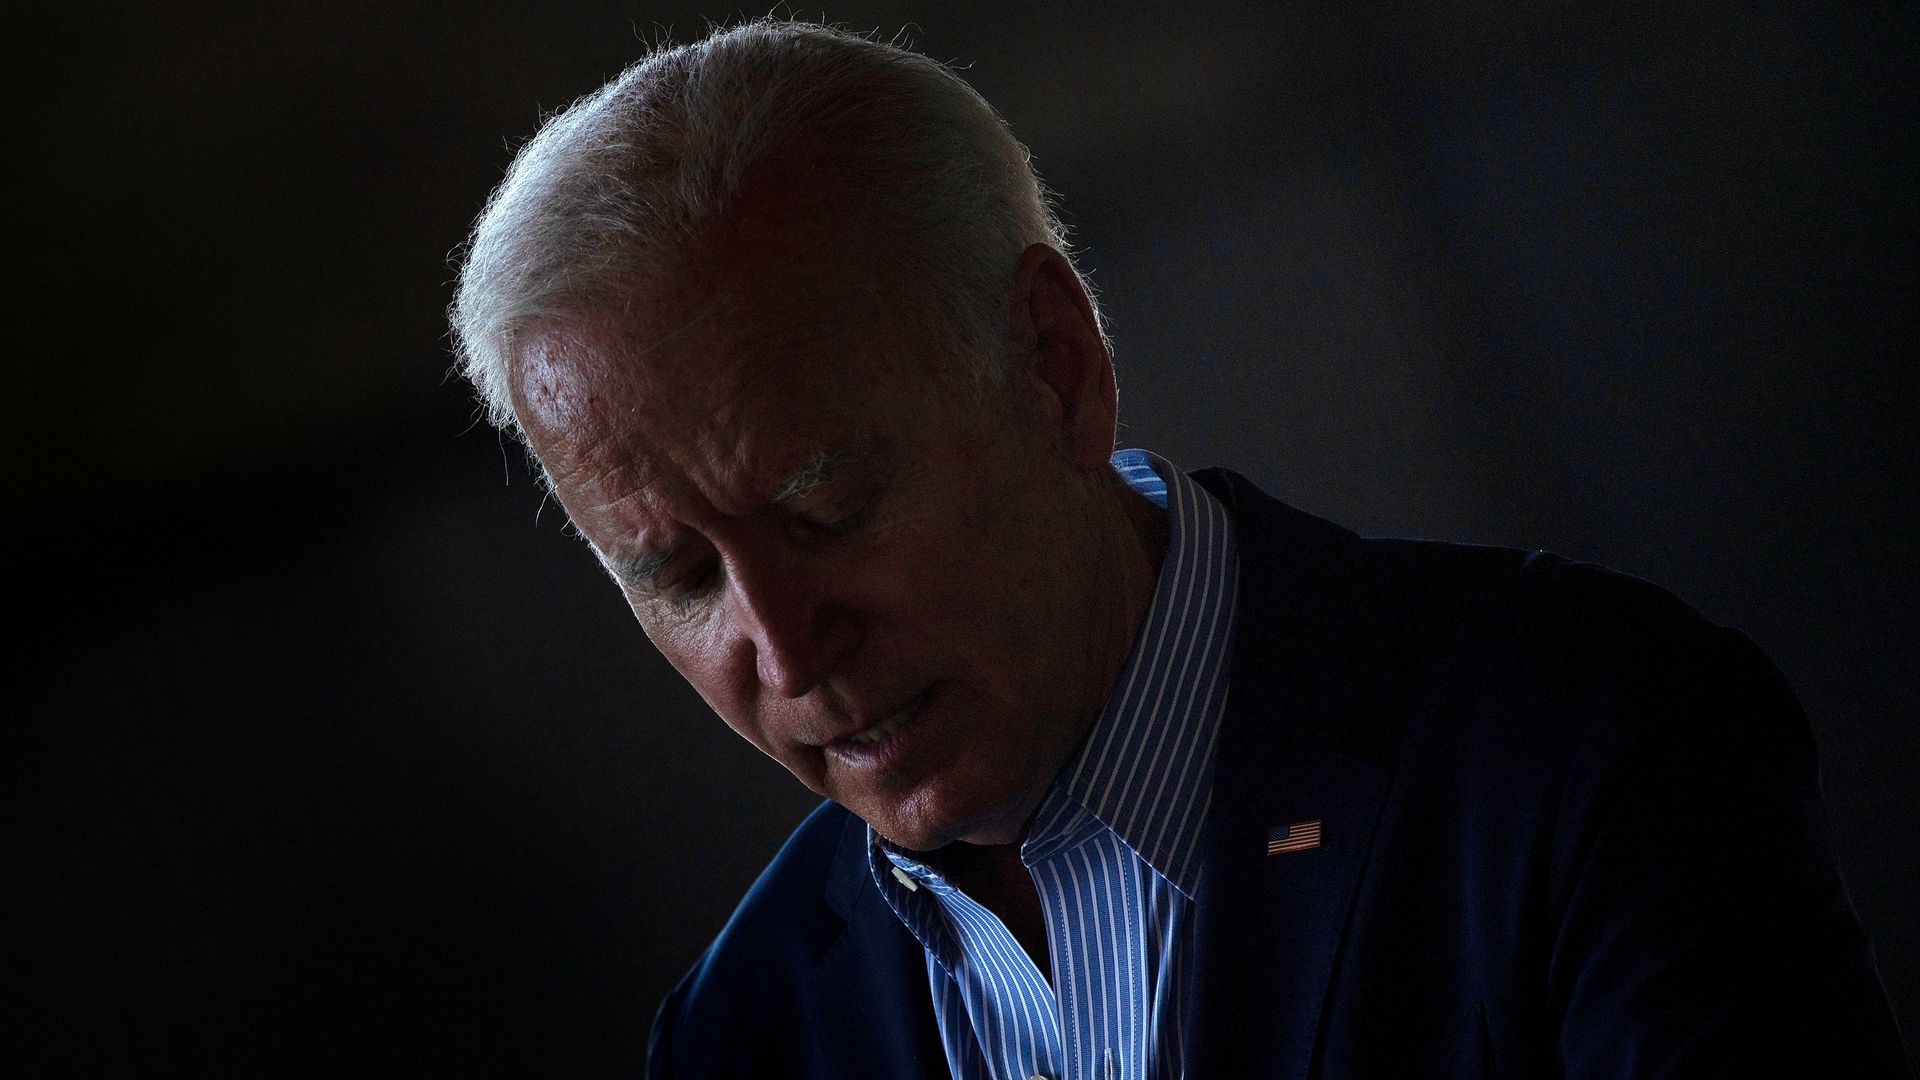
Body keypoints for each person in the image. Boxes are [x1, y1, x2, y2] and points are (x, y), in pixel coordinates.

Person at [449, 19, 1908, 1079]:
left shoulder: (1581, 742)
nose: (781, 644)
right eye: (679, 576)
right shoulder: (742, 1037)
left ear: (1052, 362)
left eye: (826, 507)